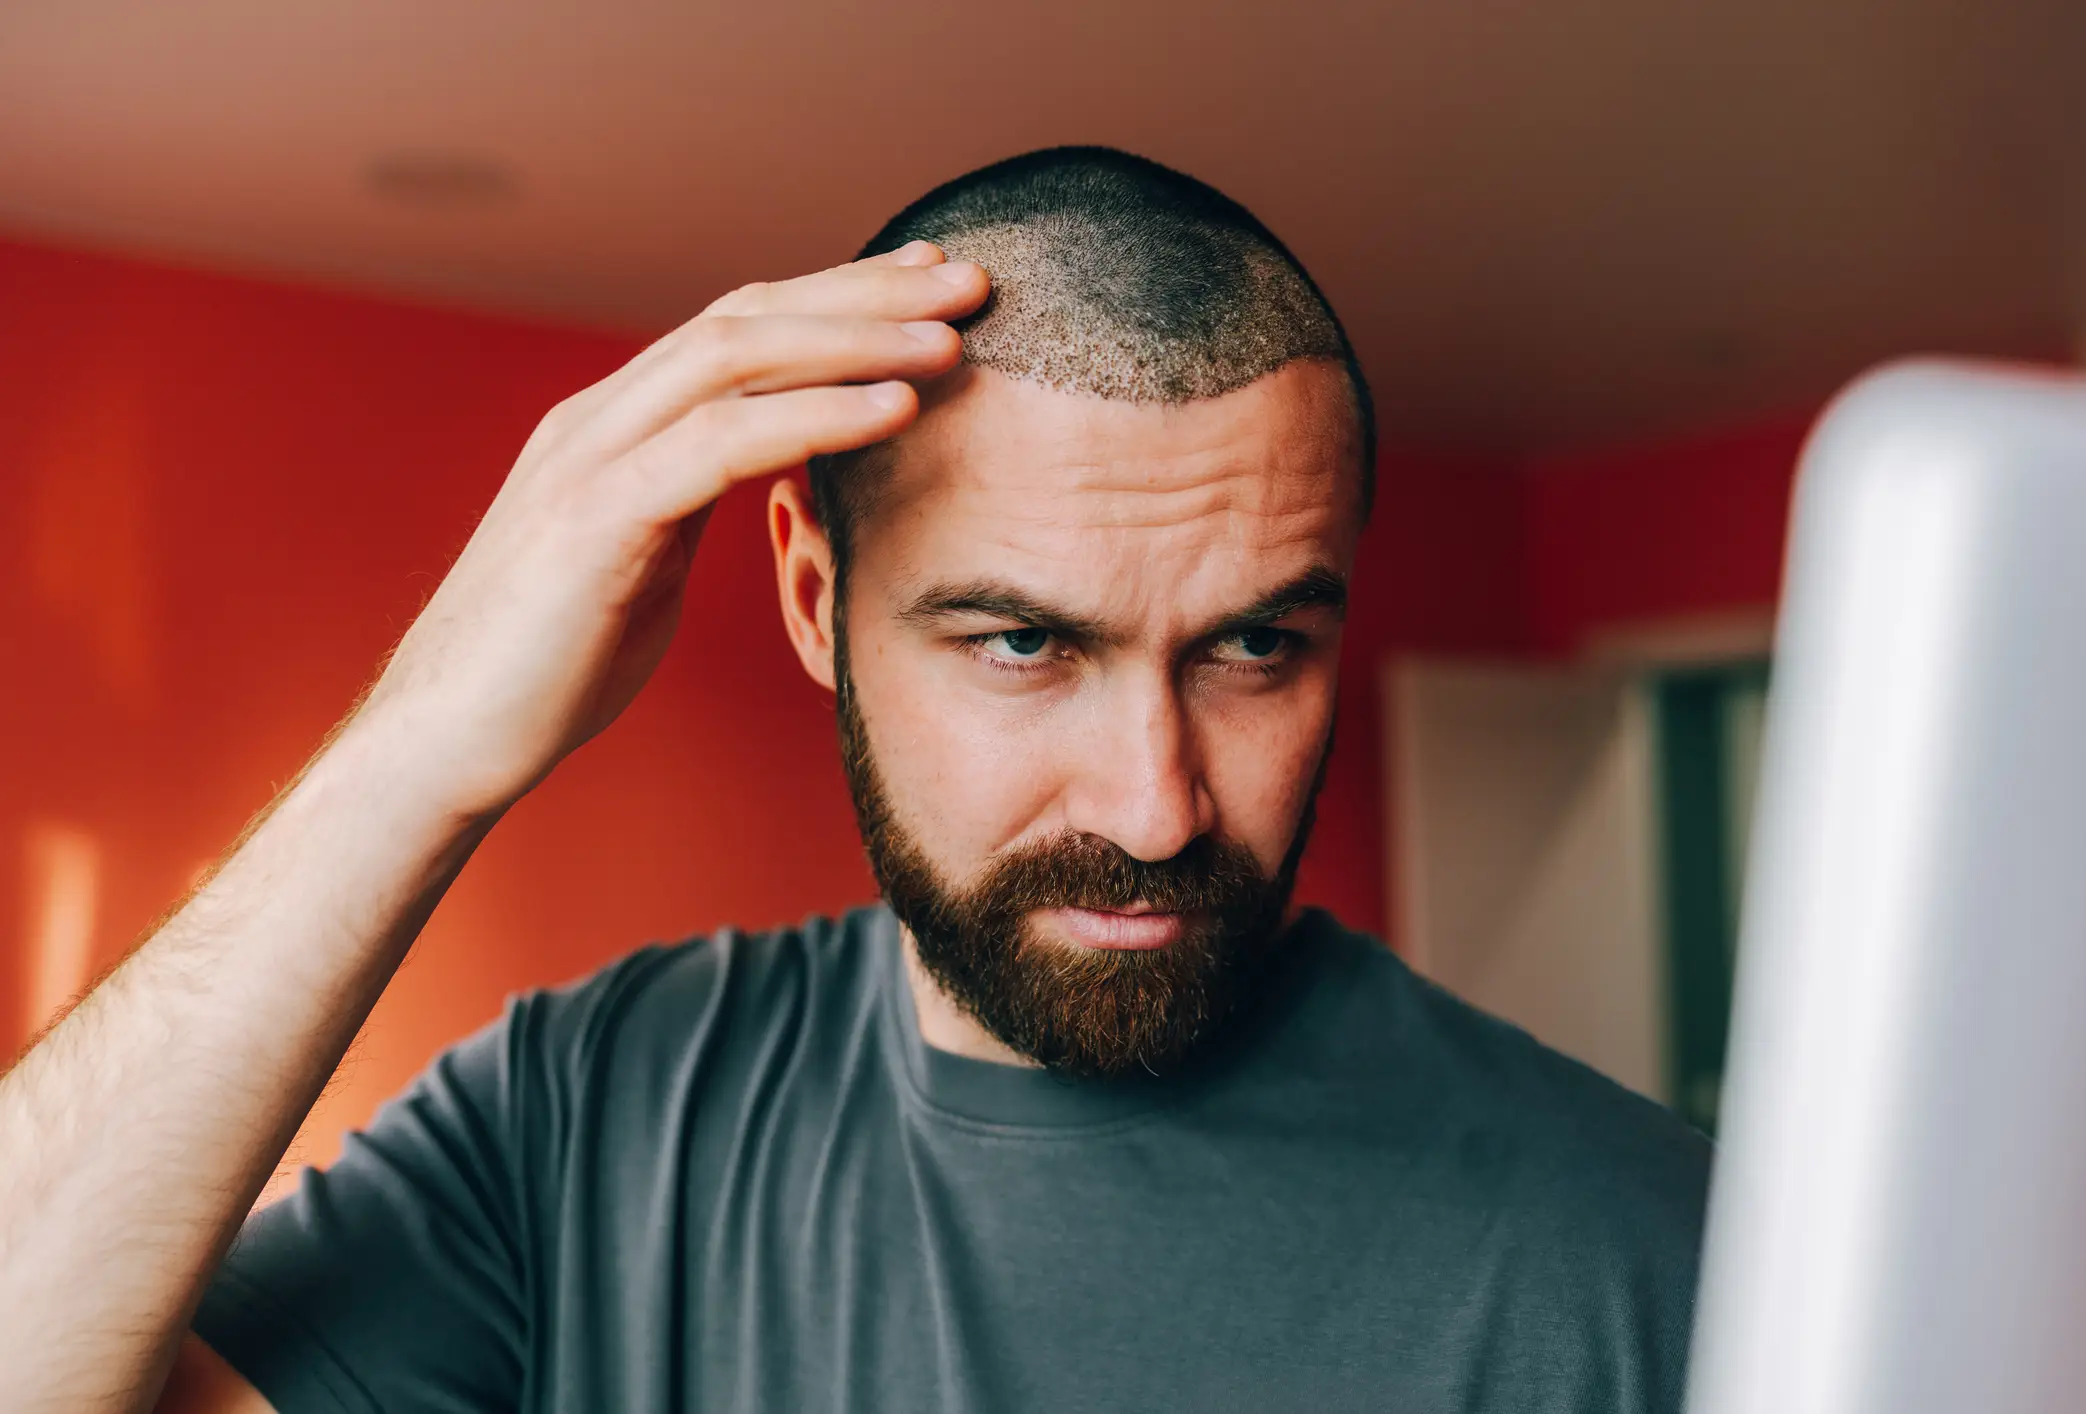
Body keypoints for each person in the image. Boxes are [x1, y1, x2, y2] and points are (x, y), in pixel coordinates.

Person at [0, 146, 1709, 1414]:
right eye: (1025, 644)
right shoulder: (591, 1121)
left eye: (1254, 648)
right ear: (819, 601)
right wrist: (423, 742)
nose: (1157, 803)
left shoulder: (1656, 1258)